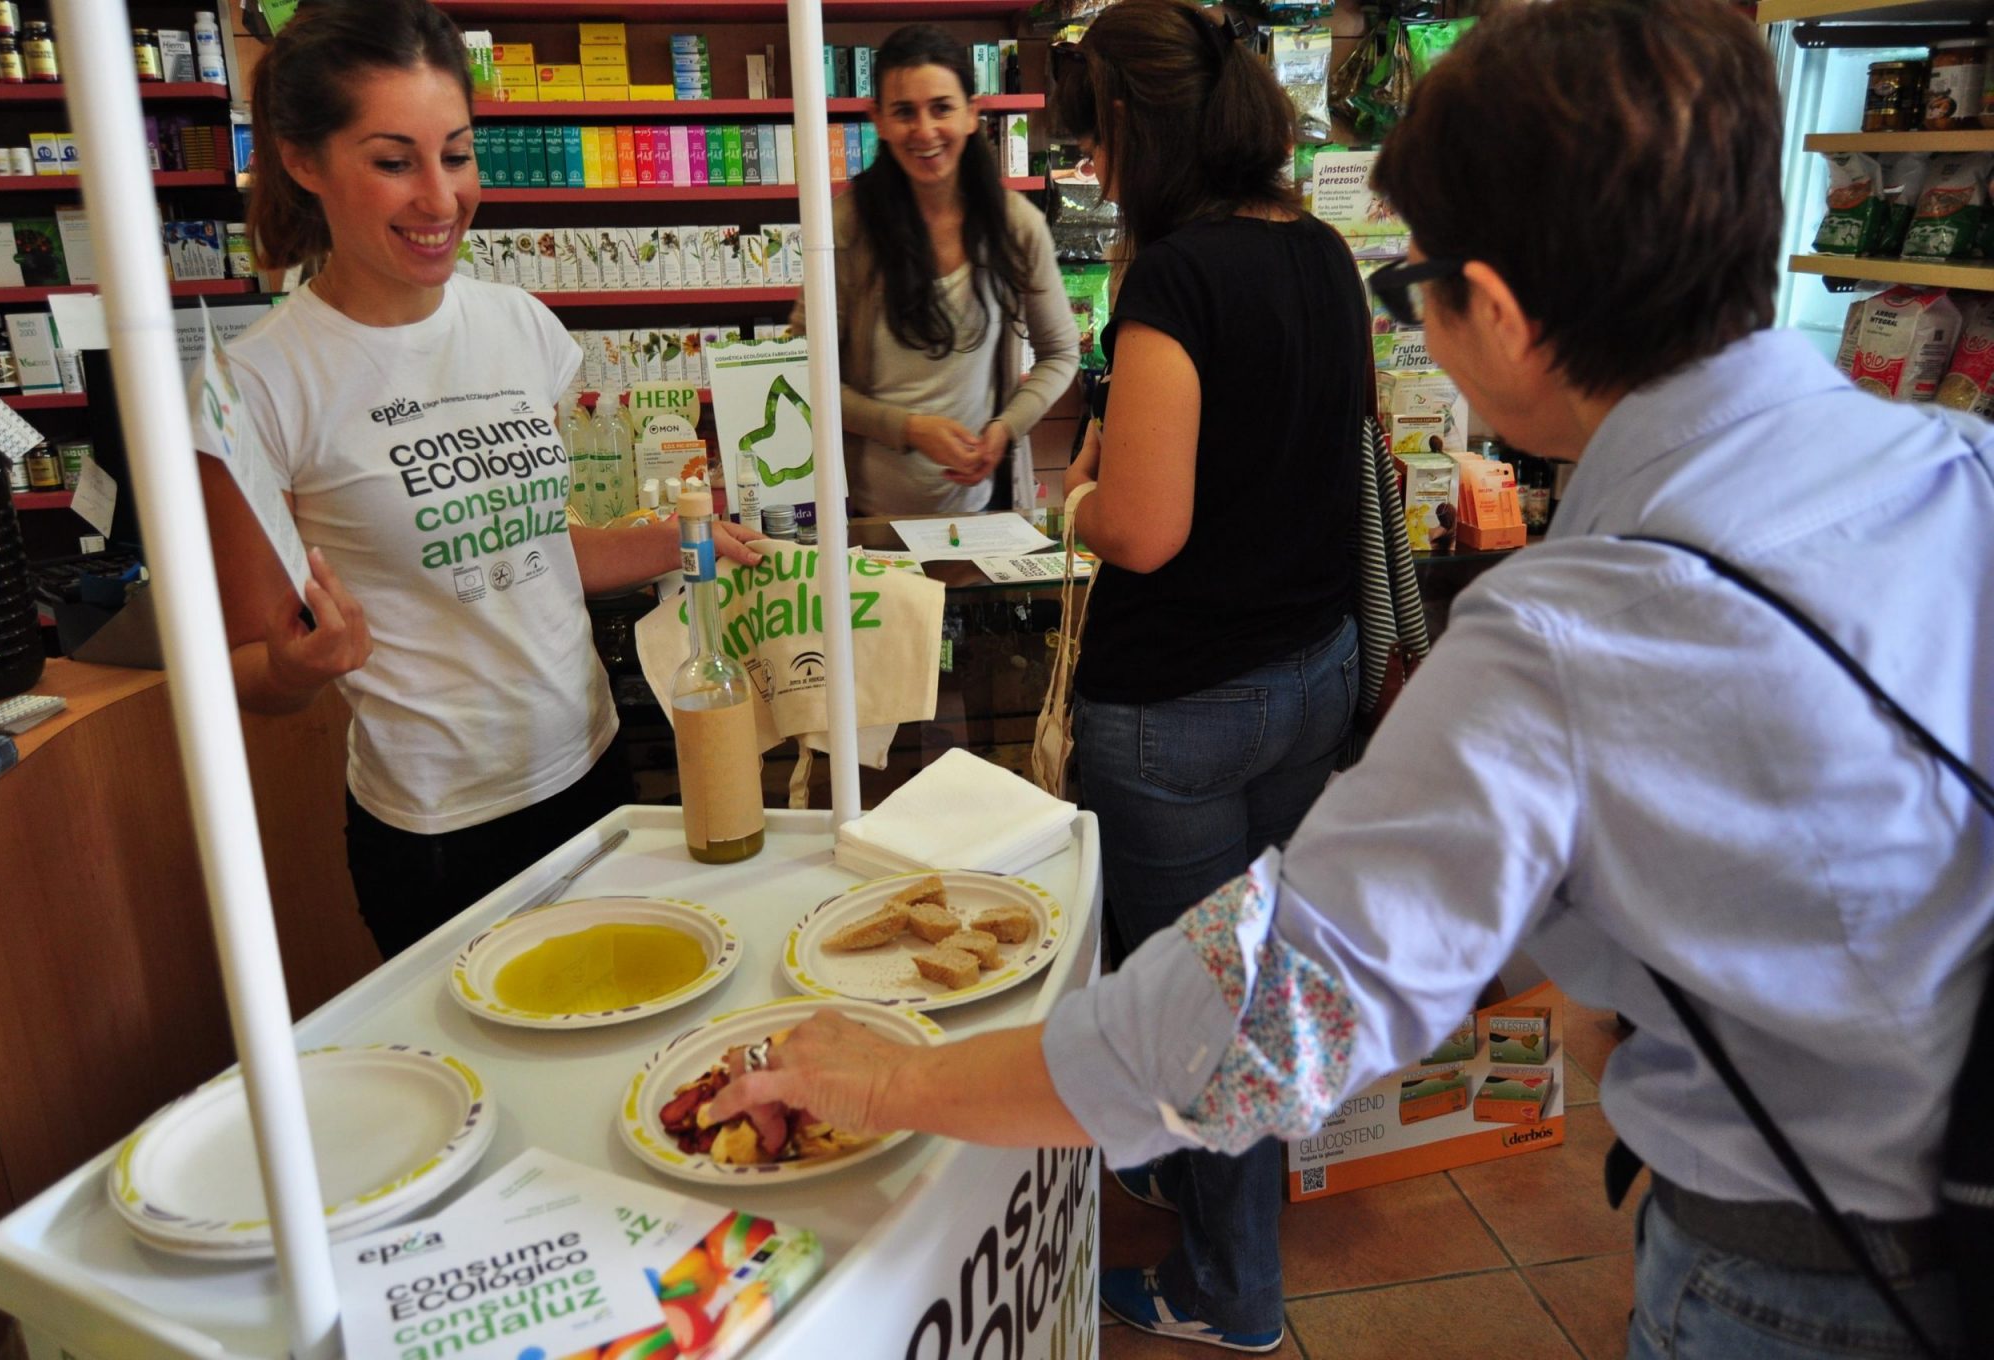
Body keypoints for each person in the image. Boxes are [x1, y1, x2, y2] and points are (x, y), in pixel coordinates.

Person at [708, 2, 1993, 1356]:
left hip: (1796, 1279)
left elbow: (1260, 1011)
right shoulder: (1956, 473)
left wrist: (899, 1074)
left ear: (1491, 311)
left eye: (1418, 288)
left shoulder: (1565, 635)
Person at [196, 0, 762, 958]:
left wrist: (679, 540)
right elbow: (253, 668)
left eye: (455, 154)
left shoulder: (518, 326)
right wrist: (297, 665)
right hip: (434, 831)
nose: (440, 196)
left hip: (590, 773)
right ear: (302, 160)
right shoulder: (256, 385)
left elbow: (535, 548)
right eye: (392, 161)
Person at [1045, 0, 1368, 1347]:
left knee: (1205, 1007)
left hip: (1179, 708)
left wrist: (1074, 500)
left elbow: (1146, 526)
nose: (1086, 156)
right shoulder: (1325, 252)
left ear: (1134, 124)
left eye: (1093, 126)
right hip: (1314, 669)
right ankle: (1222, 1217)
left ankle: (1230, 1292)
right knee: (1270, 977)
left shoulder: (1171, 279)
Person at [791, 23, 1077, 517]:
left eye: (942, 108)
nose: (924, 131)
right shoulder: (846, 225)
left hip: (984, 520)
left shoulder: (1016, 226)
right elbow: (801, 374)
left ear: (972, 114)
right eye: (904, 112)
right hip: (865, 526)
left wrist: (1005, 428)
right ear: (877, 120)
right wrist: (907, 428)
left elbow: (1060, 353)